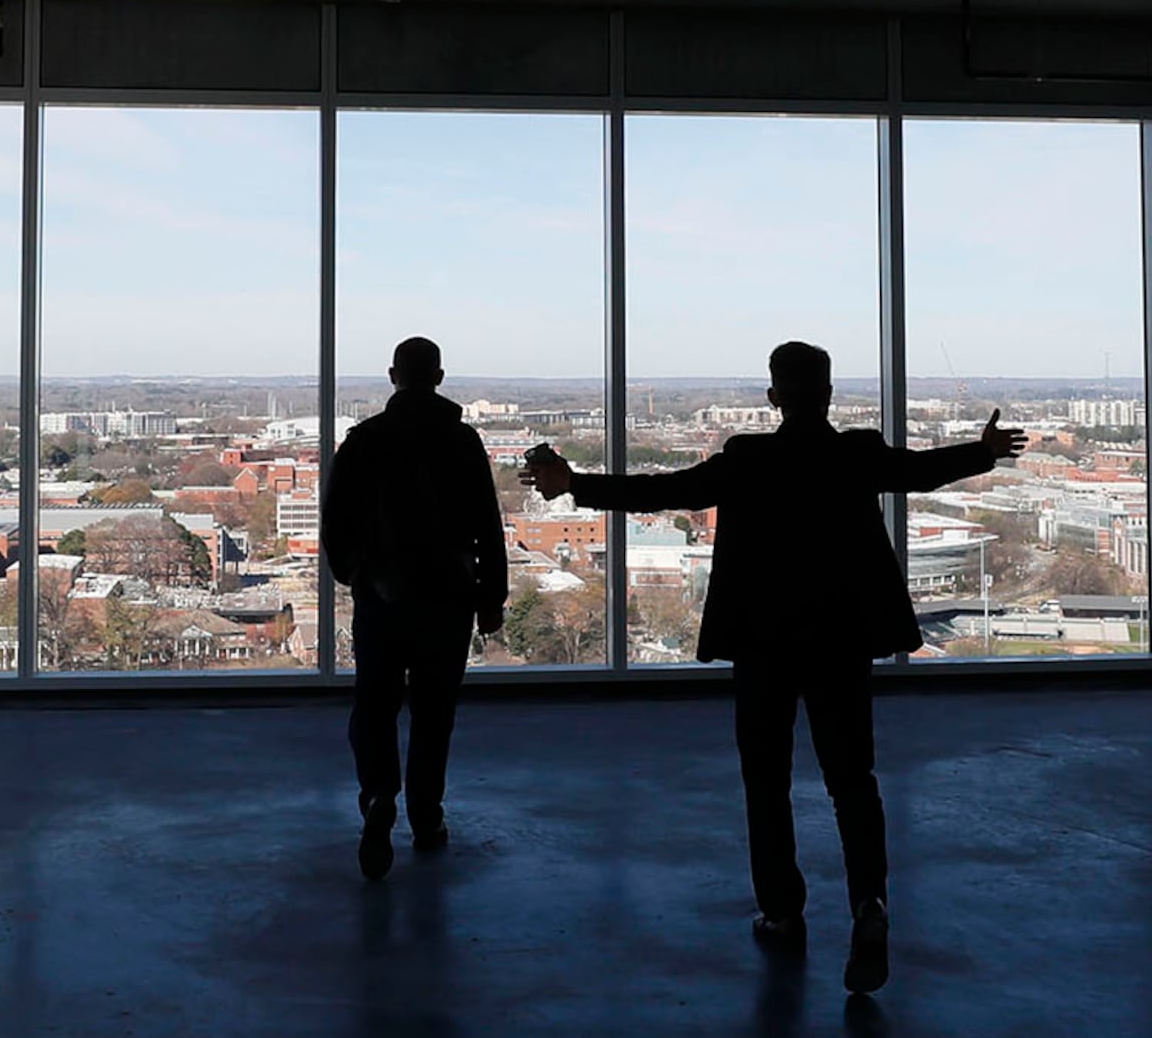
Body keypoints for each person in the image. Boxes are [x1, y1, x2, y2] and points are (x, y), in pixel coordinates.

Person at [525, 341, 1021, 993]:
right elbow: (922, 471)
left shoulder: (747, 460)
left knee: (766, 781)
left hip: (764, 644)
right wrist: (984, 451)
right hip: (840, 642)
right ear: (829, 394)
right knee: (853, 781)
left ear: (773, 396)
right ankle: (869, 903)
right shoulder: (856, 454)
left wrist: (574, 484)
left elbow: (664, 491)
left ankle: (783, 911)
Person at [323, 336, 508, 881]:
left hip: (382, 596)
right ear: (440, 377)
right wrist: (490, 598)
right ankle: (427, 817)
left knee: (374, 705)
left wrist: (358, 574)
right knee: (434, 713)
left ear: (393, 376)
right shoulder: (462, 441)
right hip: (447, 597)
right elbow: (487, 525)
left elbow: (336, 522)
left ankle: (379, 794)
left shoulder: (365, 440)